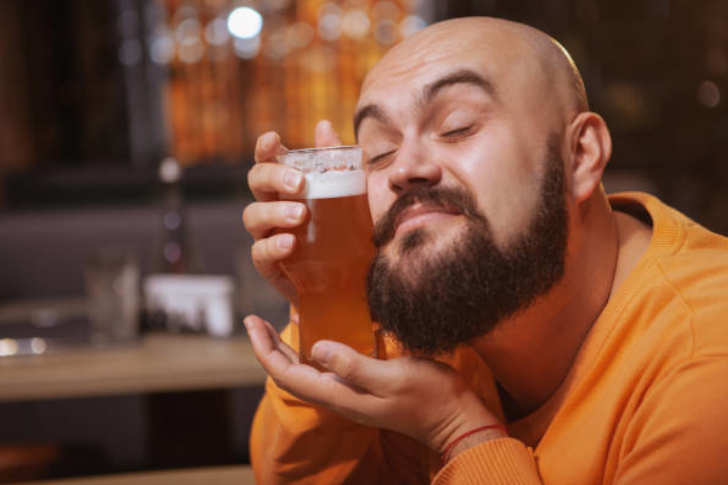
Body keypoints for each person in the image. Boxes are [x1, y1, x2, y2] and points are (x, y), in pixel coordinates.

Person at [242, 17, 728, 484]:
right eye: (380, 153)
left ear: (580, 155)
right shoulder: (452, 298)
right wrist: (335, 295)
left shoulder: (706, 357)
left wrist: (458, 429)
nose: (403, 169)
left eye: (457, 127)